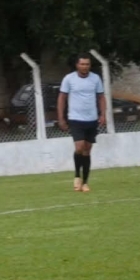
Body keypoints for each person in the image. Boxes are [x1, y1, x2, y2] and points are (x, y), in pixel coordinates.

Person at [56, 53, 106, 193]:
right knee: (79, 147)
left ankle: (85, 182)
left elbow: (101, 97)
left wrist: (103, 114)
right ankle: (77, 176)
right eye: (82, 64)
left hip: (91, 119)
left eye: (87, 64)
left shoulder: (95, 79)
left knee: (87, 149)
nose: (85, 67)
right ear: (77, 65)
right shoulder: (69, 79)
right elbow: (62, 98)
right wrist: (61, 118)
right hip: (75, 118)